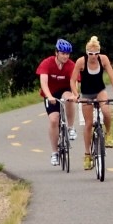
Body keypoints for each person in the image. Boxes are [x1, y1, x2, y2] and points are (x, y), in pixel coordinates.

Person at [71, 35, 113, 161]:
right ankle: (87, 154)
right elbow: (72, 81)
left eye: (96, 53)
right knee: (88, 124)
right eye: (91, 53)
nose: (93, 56)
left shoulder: (103, 59)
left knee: (106, 111)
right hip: (86, 94)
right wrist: (76, 95)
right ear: (86, 53)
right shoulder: (81, 62)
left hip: (100, 91)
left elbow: (112, 77)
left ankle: (108, 133)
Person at [35, 38, 75, 166]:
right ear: (56, 52)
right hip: (50, 93)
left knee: (68, 98)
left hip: (65, 90)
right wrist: (49, 96)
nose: (65, 56)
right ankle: (54, 153)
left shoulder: (71, 65)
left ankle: (70, 128)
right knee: (54, 120)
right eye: (63, 53)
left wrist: (75, 95)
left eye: (67, 54)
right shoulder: (47, 63)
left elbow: (73, 82)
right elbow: (43, 82)